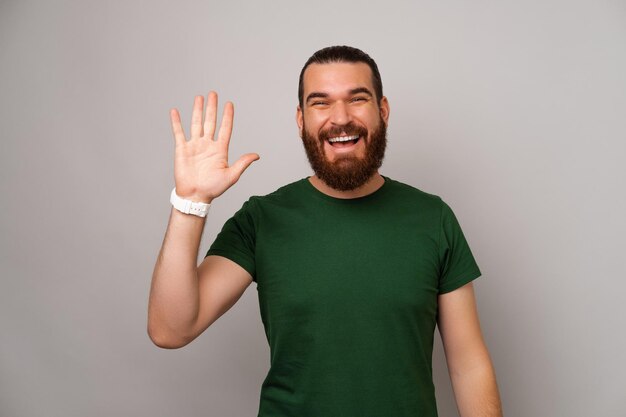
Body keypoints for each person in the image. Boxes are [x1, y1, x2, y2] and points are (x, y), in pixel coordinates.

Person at [148, 45, 503, 417]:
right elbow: (171, 329)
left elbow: (469, 366)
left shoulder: (433, 218)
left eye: (357, 99)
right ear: (301, 120)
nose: (341, 118)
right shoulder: (261, 220)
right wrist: (190, 201)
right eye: (321, 103)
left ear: (382, 111)